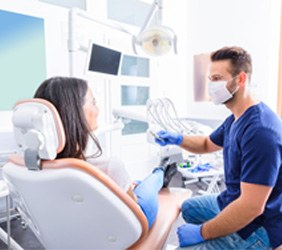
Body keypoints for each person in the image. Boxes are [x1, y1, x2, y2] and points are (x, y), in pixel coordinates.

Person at [155, 46, 282, 249]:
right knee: (188, 208)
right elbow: (206, 143)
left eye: (216, 79)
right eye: (210, 79)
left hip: (257, 226)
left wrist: (202, 232)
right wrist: (177, 139)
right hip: (231, 200)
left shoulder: (261, 131)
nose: (210, 86)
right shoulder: (235, 119)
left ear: (240, 79)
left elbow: (251, 207)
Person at [33, 76, 177, 229]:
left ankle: (138, 182)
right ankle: (160, 172)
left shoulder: (35, 166)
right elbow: (134, 210)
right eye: (93, 102)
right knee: (151, 184)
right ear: (74, 112)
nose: (98, 109)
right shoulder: (109, 166)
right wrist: (129, 191)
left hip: (76, 231)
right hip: (128, 227)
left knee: (137, 184)